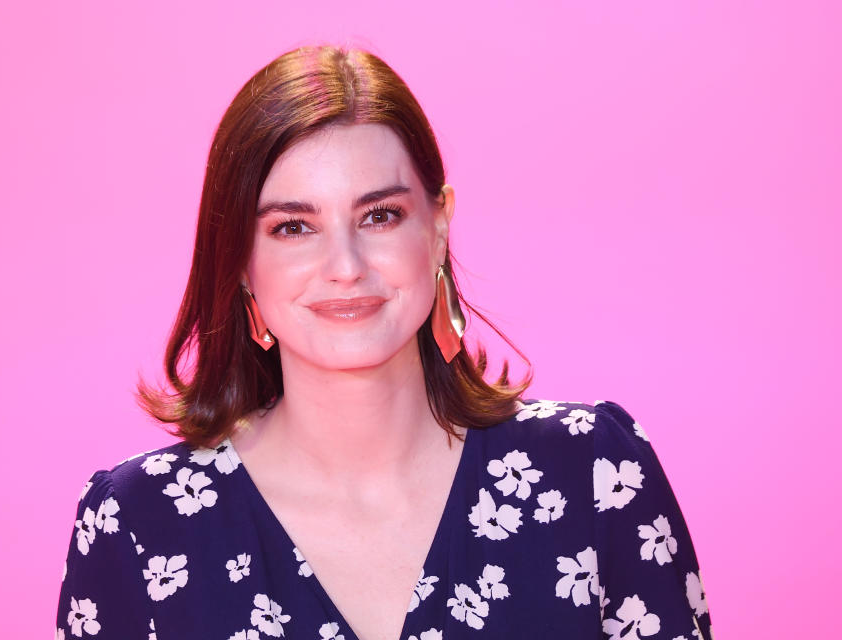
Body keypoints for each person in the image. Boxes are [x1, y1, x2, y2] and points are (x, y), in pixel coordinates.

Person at [55, 45, 713, 640]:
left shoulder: (592, 473)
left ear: (439, 227)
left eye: (380, 215)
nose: (345, 265)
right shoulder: (138, 524)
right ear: (240, 265)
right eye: (292, 226)